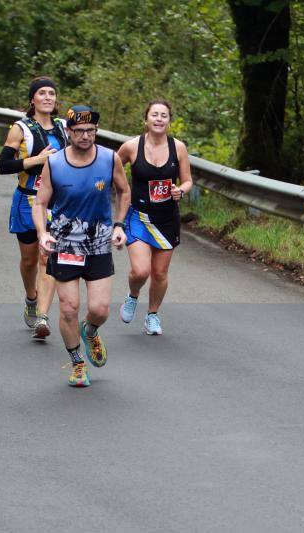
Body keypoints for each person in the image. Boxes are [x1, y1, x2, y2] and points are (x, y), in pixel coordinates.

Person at [33, 105, 130, 387]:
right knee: (68, 308)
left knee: (100, 309)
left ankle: (91, 331)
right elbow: (40, 203)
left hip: (99, 243)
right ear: (68, 132)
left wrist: (120, 225)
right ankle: (77, 363)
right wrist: (42, 234)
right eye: (79, 131)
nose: (85, 136)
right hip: (65, 244)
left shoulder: (110, 159)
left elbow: (124, 191)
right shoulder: (55, 163)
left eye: (90, 131)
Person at [0, 77, 68, 339]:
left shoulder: (63, 128)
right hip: (27, 200)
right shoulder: (21, 128)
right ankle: (31, 297)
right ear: (33, 99)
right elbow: (3, 166)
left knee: (46, 257)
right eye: (42, 93)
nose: (48, 97)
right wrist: (36, 160)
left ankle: (42, 316)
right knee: (29, 260)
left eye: (52, 93)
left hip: (57, 203)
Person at [116, 100, 193, 335]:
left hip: (167, 219)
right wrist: (120, 192)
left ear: (169, 121)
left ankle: (152, 315)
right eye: (155, 115)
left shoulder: (178, 147)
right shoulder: (131, 146)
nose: (159, 119)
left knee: (159, 273)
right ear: (146, 119)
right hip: (138, 217)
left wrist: (182, 190)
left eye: (164, 116)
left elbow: (188, 180)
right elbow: (112, 169)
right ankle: (132, 295)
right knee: (141, 271)